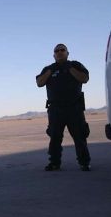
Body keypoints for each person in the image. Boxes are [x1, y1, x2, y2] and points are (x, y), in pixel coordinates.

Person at [36, 43, 91, 172]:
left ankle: (84, 162)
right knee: (55, 137)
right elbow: (39, 82)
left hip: (74, 108)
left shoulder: (76, 65)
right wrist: (51, 70)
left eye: (62, 50)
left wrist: (69, 68)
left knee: (80, 136)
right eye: (57, 51)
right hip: (56, 109)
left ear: (67, 53)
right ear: (53, 55)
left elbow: (84, 78)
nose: (60, 52)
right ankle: (54, 163)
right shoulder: (49, 68)